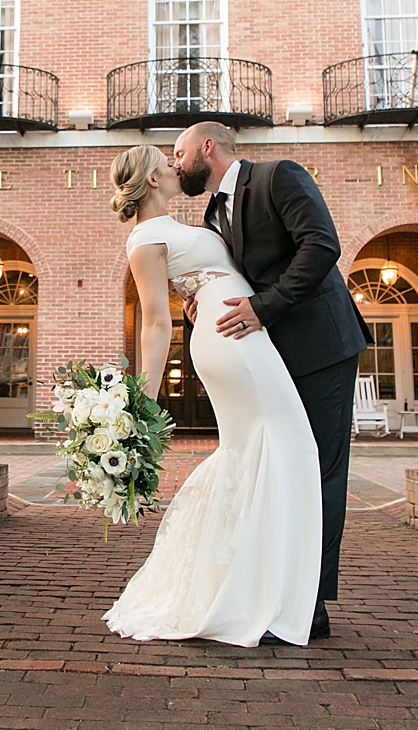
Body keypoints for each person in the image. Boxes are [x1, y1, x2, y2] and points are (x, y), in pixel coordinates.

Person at [102, 144, 322, 647]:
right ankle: (255, 594)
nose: (176, 166)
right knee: (280, 446)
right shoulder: (144, 239)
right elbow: (156, 323)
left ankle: (255, 587)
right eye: (167, 162)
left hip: (241, 328)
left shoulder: (187, 225)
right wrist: (143, 404)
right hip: (230, 342)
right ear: (152, 179)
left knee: (265, 453)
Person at [171, 121, 372, 641]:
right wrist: (203, 300)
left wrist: (265, 308)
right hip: (273, 357)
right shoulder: (212, 213)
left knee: (320, 472)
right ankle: (276, 592)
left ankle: (312, 604)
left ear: (207, 148)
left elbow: (321, 246)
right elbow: (233, 278)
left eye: (179, 152)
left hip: (324, 346)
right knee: (280, 469)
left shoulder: (278, 177)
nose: (174, 163)